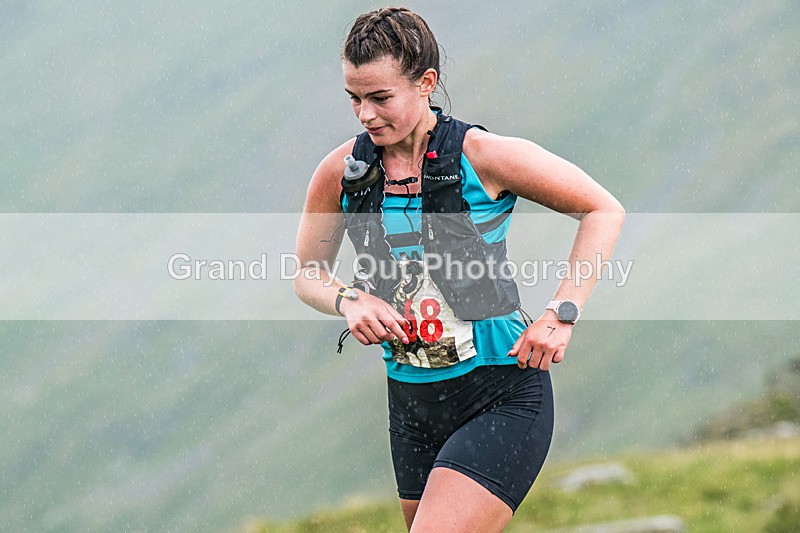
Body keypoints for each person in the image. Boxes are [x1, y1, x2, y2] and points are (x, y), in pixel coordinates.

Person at [294, 6, 625, 532]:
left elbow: (602, 210)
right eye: (354, 98)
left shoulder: (485, 156)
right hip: (410, 404)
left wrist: (562, 313)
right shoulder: (341, 171)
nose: (365, 115)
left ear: (426, 83)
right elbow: (308, 273)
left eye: (380, 98)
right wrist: (348, 299)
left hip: (501, 391)